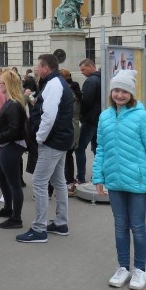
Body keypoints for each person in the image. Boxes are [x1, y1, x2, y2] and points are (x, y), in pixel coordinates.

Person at [93, 70, 146, 290]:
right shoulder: (104, 116)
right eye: (116, 90)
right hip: (114, 181)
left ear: (131, 94)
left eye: (124, 91)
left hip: (138, 183)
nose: (120, 95)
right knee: (120, 226)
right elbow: (101, 149)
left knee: (138, 226)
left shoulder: (142, 117)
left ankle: (139, 270)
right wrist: (98, 177)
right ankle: (123, 267)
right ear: (111, 91)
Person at [16, 54, 74, 244]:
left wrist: (39, 138)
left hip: (52, 141)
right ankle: (60, 223)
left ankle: (39, 229)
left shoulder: (53, 84)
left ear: (46, 68)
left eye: (38, 66)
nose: (35, 69)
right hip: (60, 139)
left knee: (39, 182)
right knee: (59, 181)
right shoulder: (56, 82)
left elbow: (49, 116)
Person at [0, 70, 28, 229]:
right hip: (6, 146)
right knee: (0, 176)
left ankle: (16, 219)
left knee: (14, 183)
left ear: (8, 84)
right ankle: (8, 208)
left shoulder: (13, 104)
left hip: (11, 147)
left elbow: (16, 130)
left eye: (1, 82)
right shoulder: (11, 101)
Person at [76, 59, 102, 188]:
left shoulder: (91, 81)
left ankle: (80, 177)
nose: (82, 72)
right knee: (97, 149)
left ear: (91, 67)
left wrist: (81, 115)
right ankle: (97, 176)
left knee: (79, 148)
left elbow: (86, 102)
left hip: (90, 120)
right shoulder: (102, 78)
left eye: (83, 69)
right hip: (99, 120)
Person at [59, 69, 82, 197]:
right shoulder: (75, 91)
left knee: (66, 156)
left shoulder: (68, 92)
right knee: (69, 156)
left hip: (70, 127)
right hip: (75, 126)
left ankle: (68, 184)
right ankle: (70, 182)